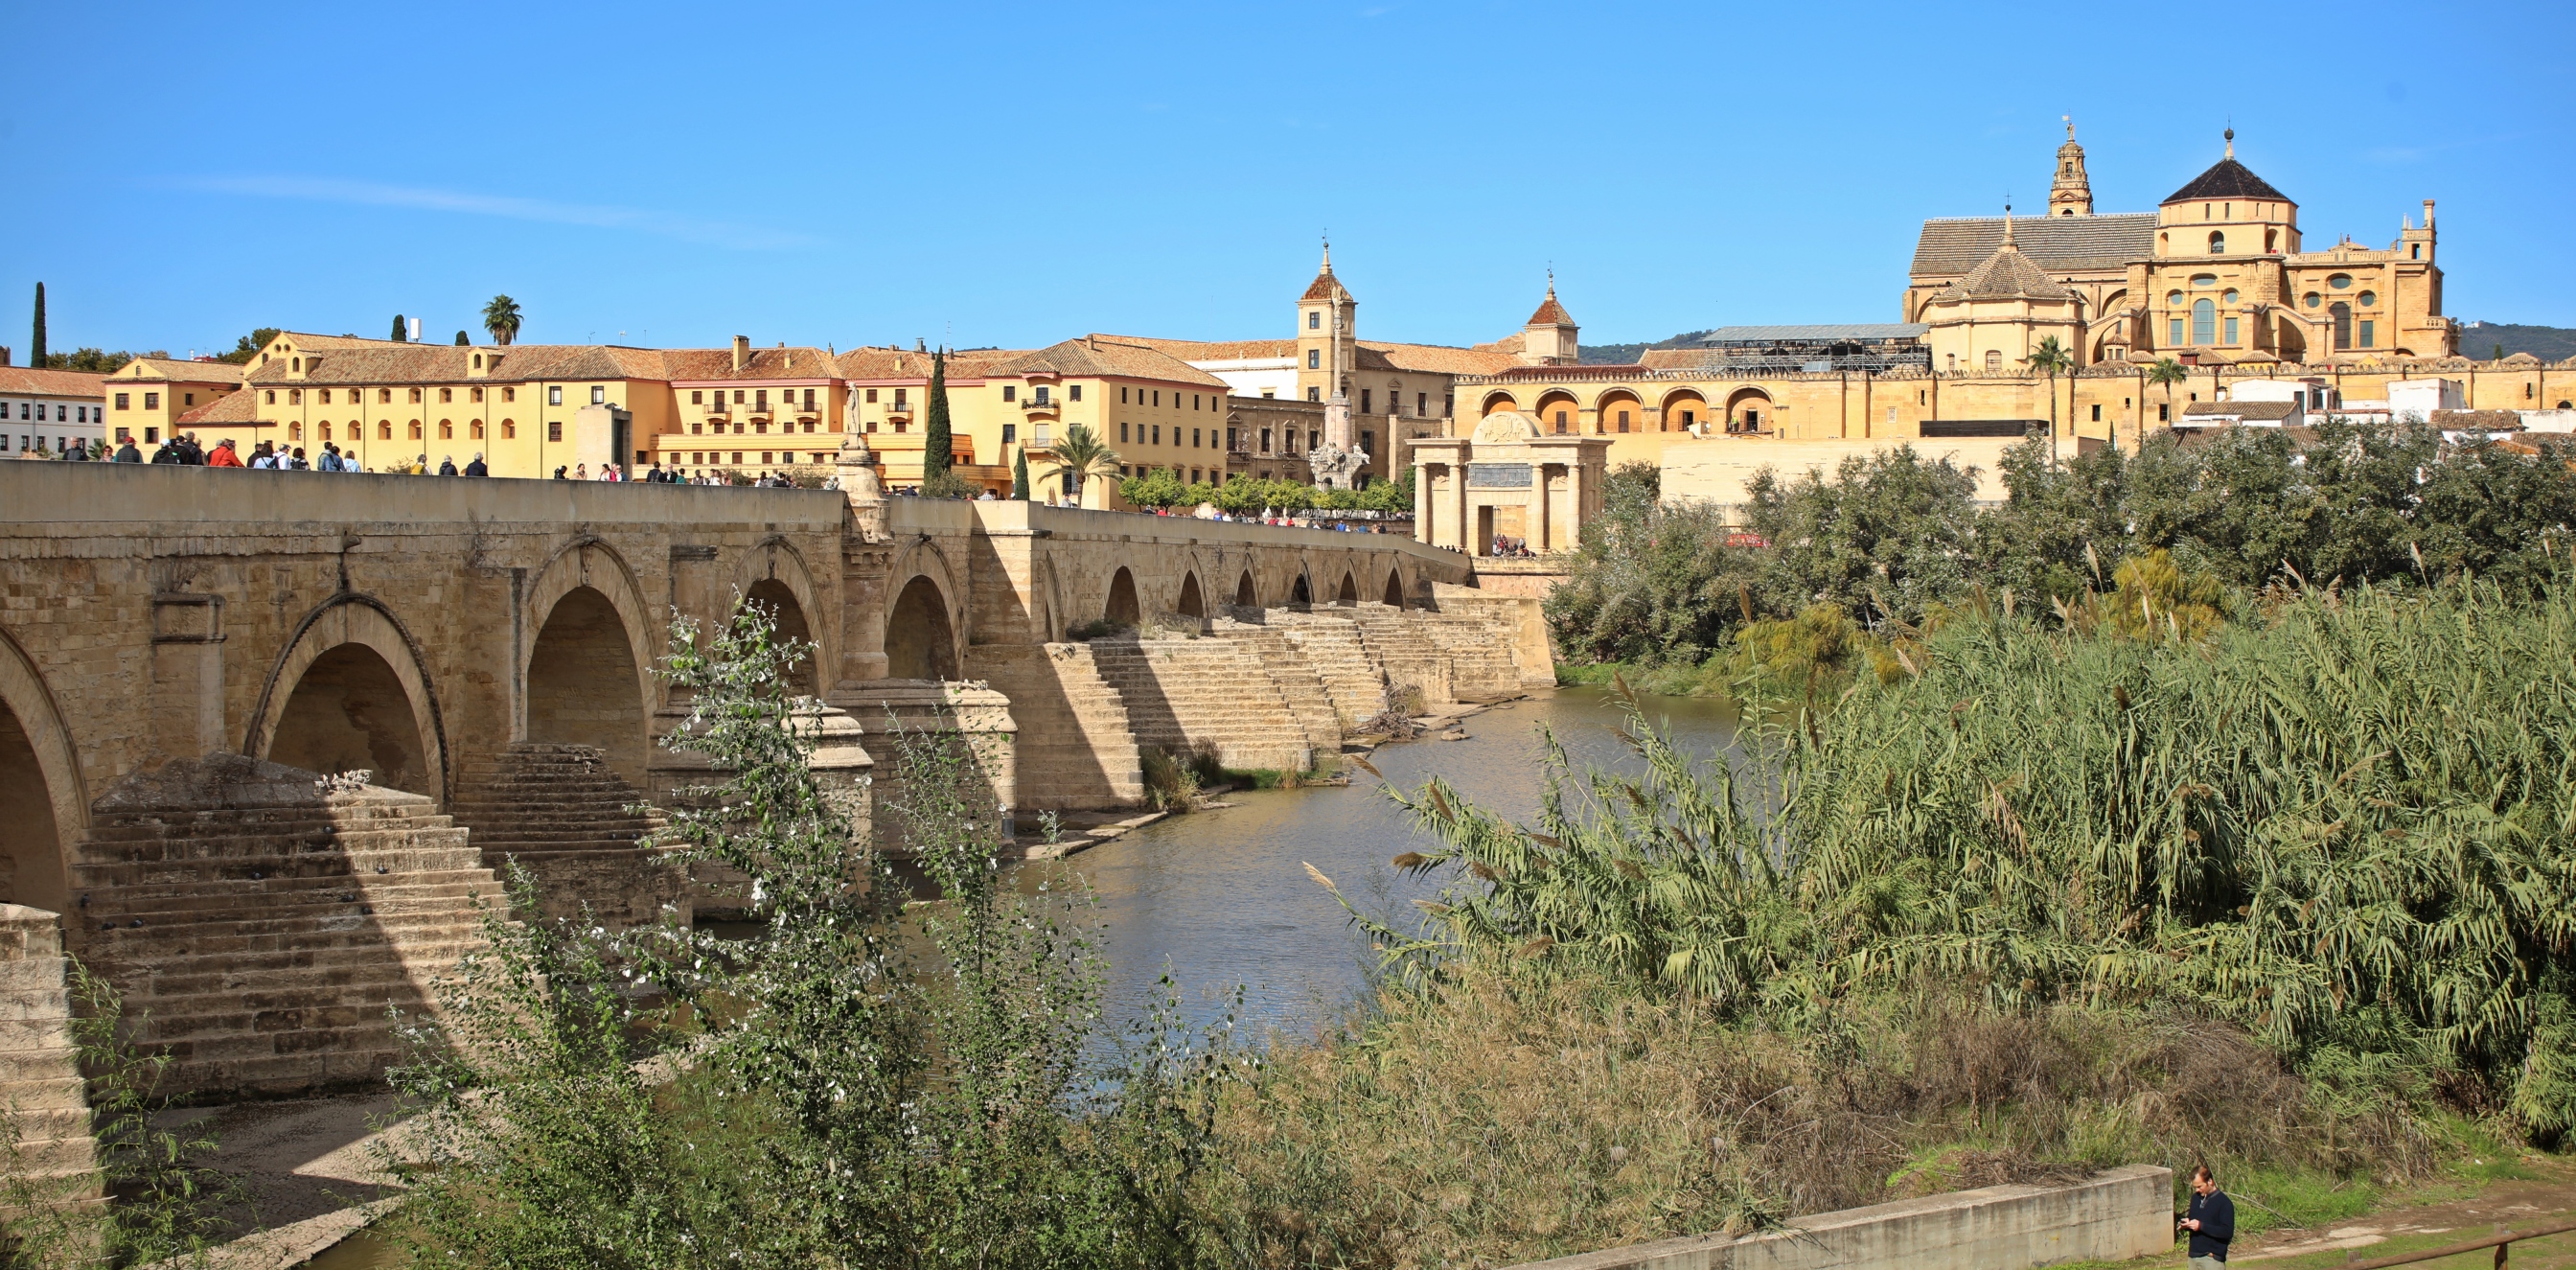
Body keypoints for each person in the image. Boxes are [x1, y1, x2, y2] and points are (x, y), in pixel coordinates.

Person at [2181, 1165, 2234, 1266]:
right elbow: (2192, 1220)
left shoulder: (2224, 1203)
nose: (2197, 1190)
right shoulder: (2195, 1198)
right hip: (2193, 1257)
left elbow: (2227, 1232)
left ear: (2210, 1181)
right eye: (2195, 1187)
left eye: (2200, 1186)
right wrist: (2186, 1225)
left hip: (2211, 1259)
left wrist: (2201, 1226)